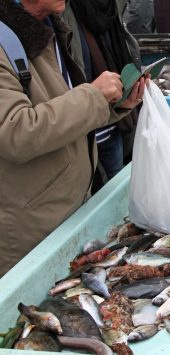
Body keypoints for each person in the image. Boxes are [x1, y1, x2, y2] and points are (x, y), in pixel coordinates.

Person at [0, 0, 147, 277]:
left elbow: (58, 113)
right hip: (30, 233)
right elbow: (15, 132)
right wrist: (93, 95)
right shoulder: (10, 38)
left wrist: (113, 105)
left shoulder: (50, 28)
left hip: (67, 215)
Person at [63, 0, 141, 193]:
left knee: (118, 194)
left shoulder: (110, 8)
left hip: (113, 118)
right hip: (84, 129)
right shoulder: (62, 13)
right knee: (103, 198)